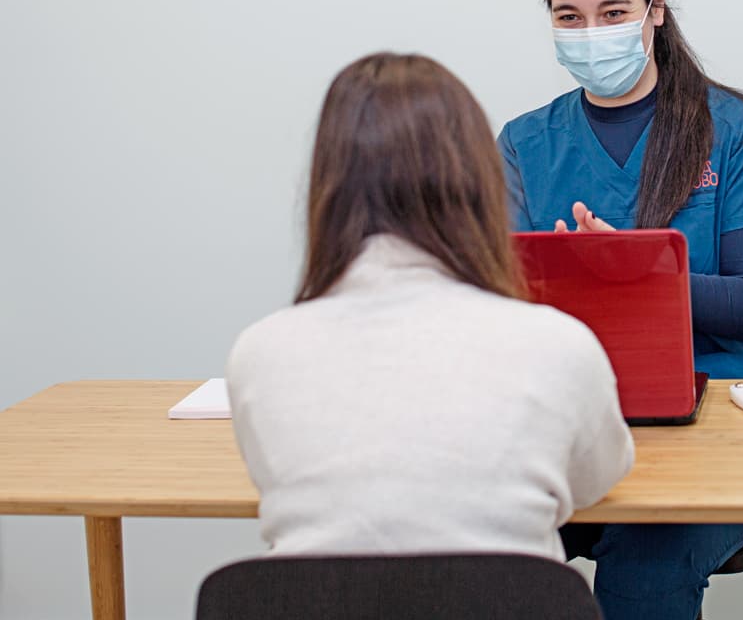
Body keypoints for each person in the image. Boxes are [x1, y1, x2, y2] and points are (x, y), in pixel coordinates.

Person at [498, 0, 743, 620]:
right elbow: (506, 302)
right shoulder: (523, 144)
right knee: (465, 540)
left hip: (717, 415)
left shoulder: (740, 128)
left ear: (655, 7)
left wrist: (630, 276)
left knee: (645, 560)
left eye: (613, 13)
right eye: (569, 17)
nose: (590, 33)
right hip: (570, 415)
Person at [227, 52, 633, 561]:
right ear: (478, 182)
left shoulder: (260, 354)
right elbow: (596, 481)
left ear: (327, 187)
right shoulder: (559, 346)